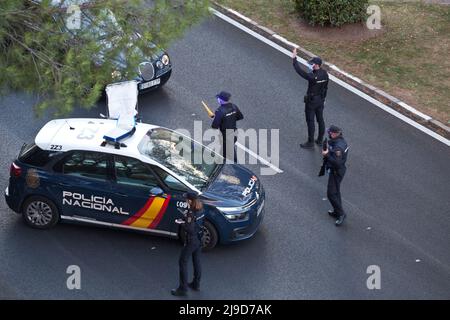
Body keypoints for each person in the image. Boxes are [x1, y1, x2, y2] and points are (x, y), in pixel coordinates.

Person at [292, 47, 329, 149]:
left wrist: (294, 58)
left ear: (316, 65)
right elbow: (325, 88)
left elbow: (300, 71)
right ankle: (320, 140)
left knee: (310, 121)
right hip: (321, 100)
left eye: (312, 63)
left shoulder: (313, 77)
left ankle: (310, 142)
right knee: (320, 119)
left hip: (312, 101)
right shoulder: (325, 74)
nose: (311, 65)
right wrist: (324, 99)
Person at [171, 192, 205, 296]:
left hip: (191, 240)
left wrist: (182, 223)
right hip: (200, 238)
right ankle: (196, 284)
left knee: (183, 262)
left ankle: (182, 288)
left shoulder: (191, 212)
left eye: (186, 199)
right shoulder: (201, 209)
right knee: (197, 261)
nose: (185, 200)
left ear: (190, 200)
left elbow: (190, 229)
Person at [322, 125, 349, 226]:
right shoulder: (339, 142)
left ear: (334, 134)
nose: (328, 134)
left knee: (331, 194)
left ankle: (341, 214)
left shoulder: (338, 147)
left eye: (329, 132)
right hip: (337, 170)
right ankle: (337, 211)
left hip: (336, 171)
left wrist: (327, 154)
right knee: (336, 192)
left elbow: (337, 163)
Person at [211, 91, 244, 161]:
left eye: (218, 98)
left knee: (228, 153)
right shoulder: (233, 106)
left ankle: (235, 167)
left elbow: (214, 126)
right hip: (234, 133)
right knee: (227, 150)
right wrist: (230, 119)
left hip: (225, 136)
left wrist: (216, 118)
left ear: (221, 100)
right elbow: (240, 117)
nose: (217, 100)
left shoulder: (219, 111)